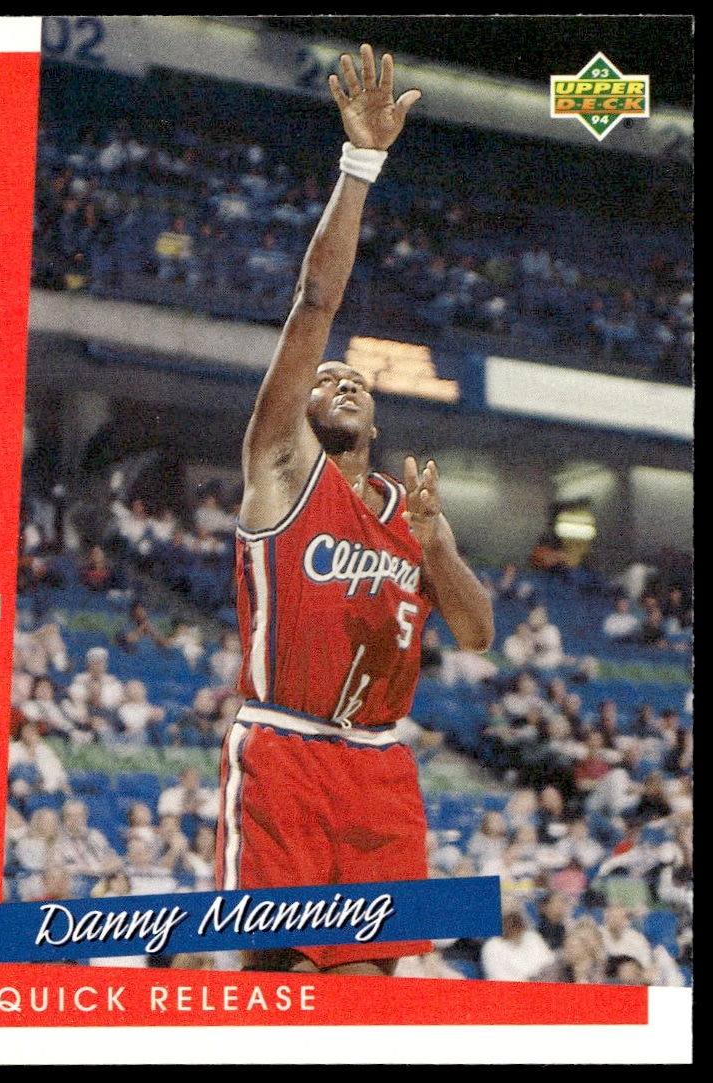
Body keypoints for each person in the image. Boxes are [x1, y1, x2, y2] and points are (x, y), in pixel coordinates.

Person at [214, 45, 494, 978]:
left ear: (374, 417)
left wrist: (437, 548)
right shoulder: (280, 462)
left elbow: (478, 633)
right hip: (287, 749)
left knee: (371, 996)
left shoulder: (410, 509)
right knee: (284, 986)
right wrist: (361, 162)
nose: (339, 380)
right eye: (324, 377)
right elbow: (314, 302)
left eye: (355, 381)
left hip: (379, 761)